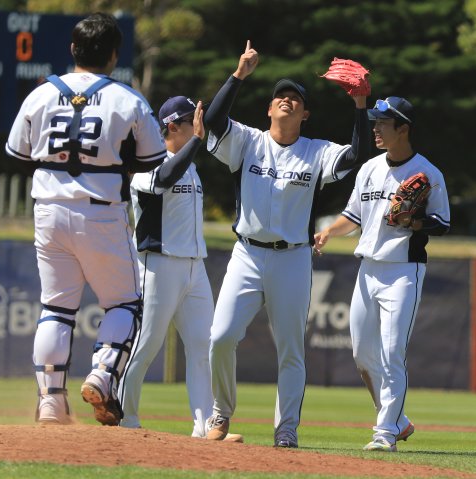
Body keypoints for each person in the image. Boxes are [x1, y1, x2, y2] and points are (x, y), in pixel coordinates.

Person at [202, 41, 370, 447]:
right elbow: (211, 120)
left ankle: (287, 428)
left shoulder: (316, 152)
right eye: (280, 96)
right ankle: (221, 411)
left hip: (292, 258)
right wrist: (239, 74)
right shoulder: (247, 141)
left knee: (291, 350)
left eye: (295, 98)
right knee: (221, 336)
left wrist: (362, 104)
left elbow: (359, 155)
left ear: (305, 114)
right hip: (247, 253)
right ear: (269, 108)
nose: (287, 101)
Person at [4, 12, 167, 425]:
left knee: (56, 308)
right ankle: (102, 372)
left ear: (73, 48)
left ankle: (50, 403)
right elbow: (152, 161)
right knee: (125, 302)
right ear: (114, 54)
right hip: (100, 210)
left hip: (48, 210)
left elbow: (18, 155)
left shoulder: (40, 93)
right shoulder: (128, 98)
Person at [313, 96, 451, 452]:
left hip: (404, 271)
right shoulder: (369, 169)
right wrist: (329, 231)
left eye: (382, 123)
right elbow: (354, 218)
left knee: (392, 353)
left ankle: (385, 431)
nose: (375, 128)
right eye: (374, 122)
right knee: (362, 355)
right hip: (368, 270)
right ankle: (399, 421)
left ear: (403, 128)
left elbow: (443, 223)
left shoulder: (428, 172)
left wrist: (414, 220)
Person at [117, 97, 242, 441]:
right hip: (159, 265)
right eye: (191, 121)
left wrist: (236, 77)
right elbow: (164, 179)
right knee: (147, 343)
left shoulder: (192, 165)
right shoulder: (148, 165)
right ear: (172, 126)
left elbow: (181, 167)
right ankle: (124, 415)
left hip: (194, 267)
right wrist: (199, 141)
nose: (197, 125)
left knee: (204, 346)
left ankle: (203, 426)